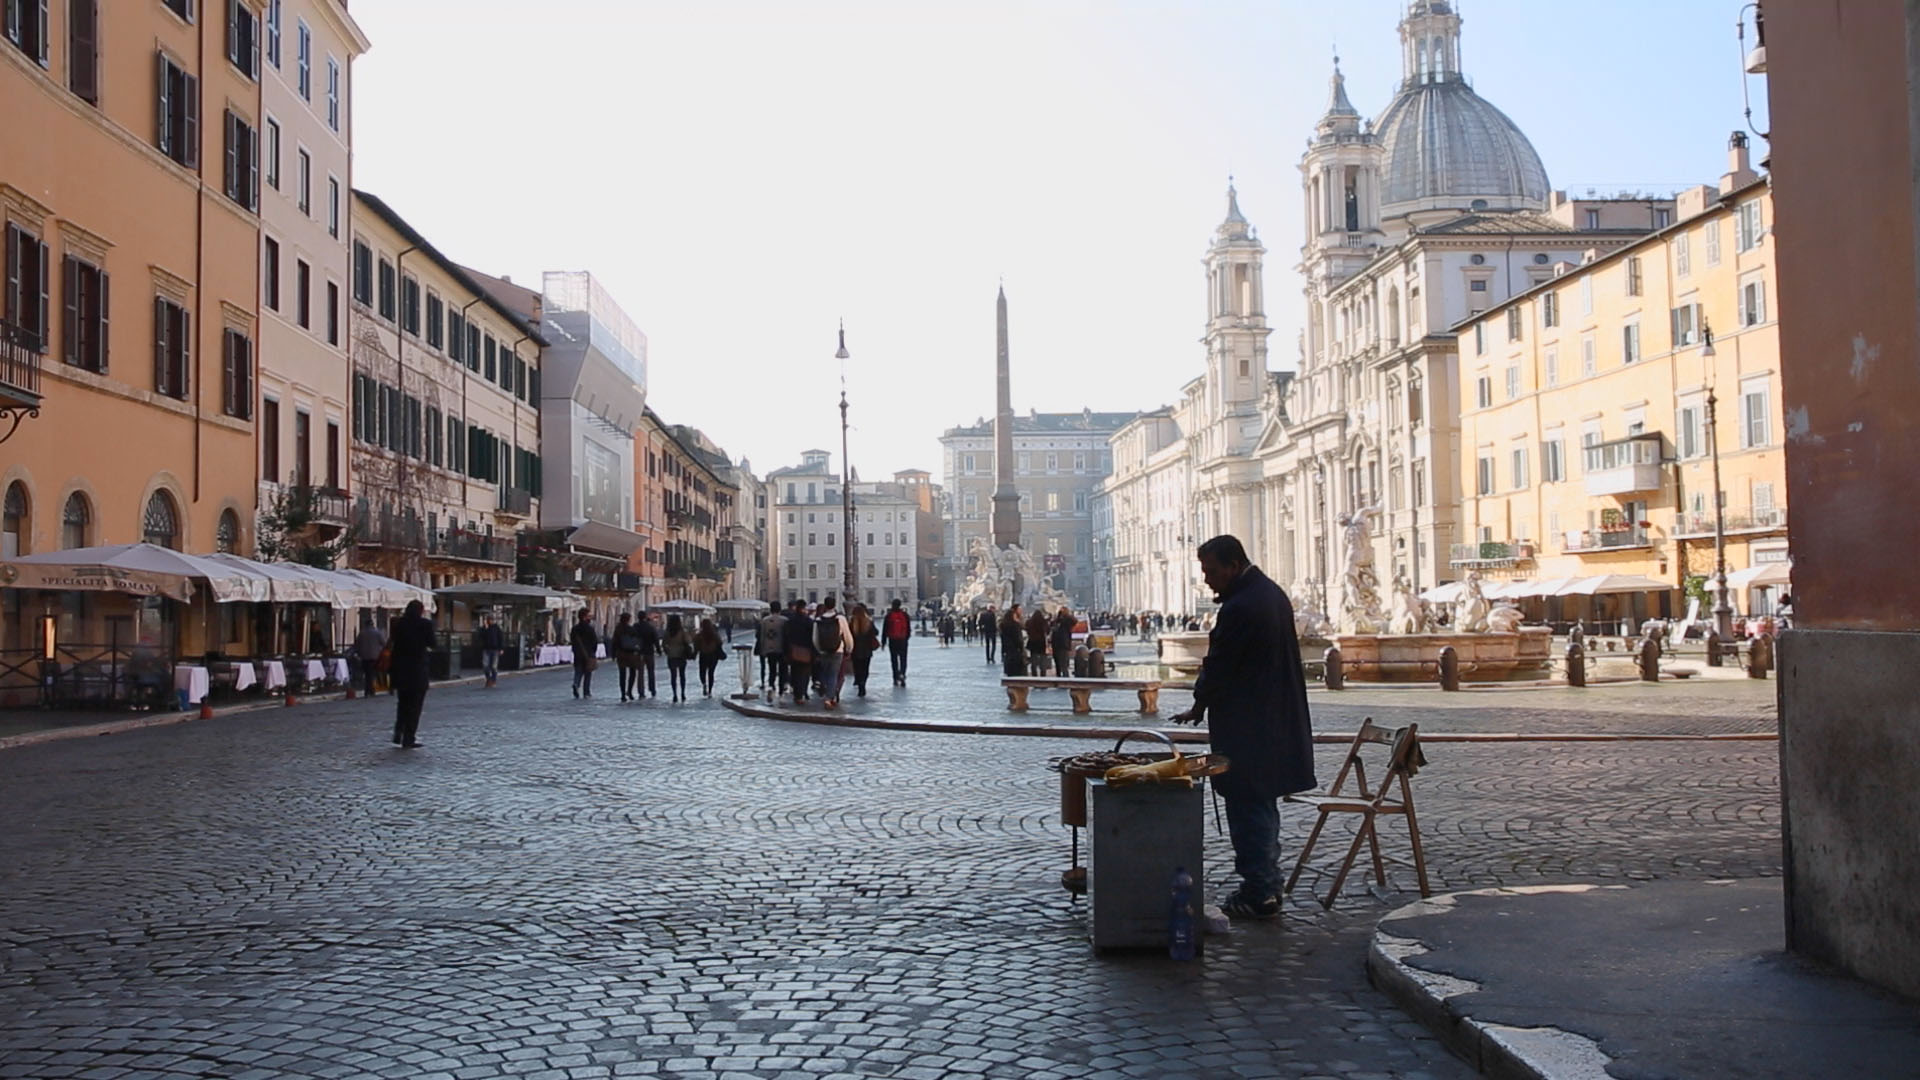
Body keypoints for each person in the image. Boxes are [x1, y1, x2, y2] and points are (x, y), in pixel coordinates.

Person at [1170, 535, 1317, 920]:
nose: (1207, 580)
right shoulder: (1270, 594)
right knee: (1261, 805)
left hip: (1251, 727)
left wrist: (1200, 700)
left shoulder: (1241, 607)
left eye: (1212, 571)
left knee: (1248, 805)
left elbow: (1220, 663)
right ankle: (1266, 883)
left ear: (1234, 565)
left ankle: (1259, 890)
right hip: (1270, 720)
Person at [388, 600, 436, 749]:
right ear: (421, 611)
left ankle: (398, 731)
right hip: (417, 669)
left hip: (400, 668)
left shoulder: (398, 624)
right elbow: (432, 643)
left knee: (402, 703)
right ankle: (409, 737)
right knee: (415, 706)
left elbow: (394, 643)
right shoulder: (425, 624)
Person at [813, 595, 852, 708]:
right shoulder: (840, 619)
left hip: (823, 651)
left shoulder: (818, 620)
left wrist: (819, 650)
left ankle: (826, 692)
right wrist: (849, 649)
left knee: (825, 673)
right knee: (833, 674)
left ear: (825, 605)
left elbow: (815, 638)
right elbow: (847, 635)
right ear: (834, 605)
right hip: (837, 650)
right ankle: (829, 698)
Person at [784, 600, 815, 703]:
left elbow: (786, 636)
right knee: (805, 673)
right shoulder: (809, 621)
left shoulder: (790, 621)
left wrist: (786, 650)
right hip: (806, 650)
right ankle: (803, 692)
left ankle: (797, 695)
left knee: (795, 672)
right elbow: (813, 638)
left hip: (793, 650)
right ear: (804, 608)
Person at [847, 603, 880, 698]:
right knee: (865, 668)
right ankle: (863, 684)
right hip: (867, 650)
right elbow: (876, 632)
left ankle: (859, 682)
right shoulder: (868, 622)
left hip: (855, 649)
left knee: (857, 668)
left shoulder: (852, 622)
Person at [757, 602, 787, 698]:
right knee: (782, 670)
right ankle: (781, 690)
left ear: (771, 609)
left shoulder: (764, 621)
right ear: (780, 609)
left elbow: (762, 637)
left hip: (769, 648)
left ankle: (771, 686)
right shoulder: (784, 620)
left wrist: (763, 649)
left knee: (772, 669)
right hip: (782, 648)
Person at [612, 613, 643, 701]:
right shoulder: (631, 629)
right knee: (632, 672)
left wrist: (613, 653)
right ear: (628, 619)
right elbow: (636, 641)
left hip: (620, 653)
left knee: (622, 674)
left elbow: (614, 642)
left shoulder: (618, 629)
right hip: (631, 653)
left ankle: (622, 694)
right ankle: (629, 691)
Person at [353, 618, 387, 697]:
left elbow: (357, 645)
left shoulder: (361, 633)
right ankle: (372, 690)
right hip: (375, 657)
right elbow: (384, 644)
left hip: (364, 657)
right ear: (372, 624)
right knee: (372, 674)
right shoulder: (377, 633)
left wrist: (359, 653)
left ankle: (367, 690)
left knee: (367, 674)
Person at [882, 599, 913, 686]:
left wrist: (883, 642)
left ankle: (895, 677)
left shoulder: (889, 616)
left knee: (894, 660)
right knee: (903, 659)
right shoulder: (905, 615)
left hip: (892, 641)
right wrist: (906, 638)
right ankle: (902, 674)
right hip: (902, 641)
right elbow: (908, 629)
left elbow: (885, 630)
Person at [662, 614, 693, 702]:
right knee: (682, 675)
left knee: (673, 676)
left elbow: (664, 644)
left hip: (671, 655)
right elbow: (688, 641)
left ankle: (674, 694)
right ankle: (683, 693)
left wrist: (667, 651)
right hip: (681, 654)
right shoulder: (682, 631)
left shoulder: (668, 632)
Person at [569, 610, 599, 699]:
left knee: (578, 672)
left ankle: (576, 684)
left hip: (578, 654)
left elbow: (573, 641)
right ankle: (586, 692)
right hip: (588, 654)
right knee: (587, 673)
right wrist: (593, 652)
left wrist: (575, 651)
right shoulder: (590, 628)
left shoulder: (575, 629)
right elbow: (594, 641)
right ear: (584, 617)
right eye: (589, 615)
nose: (590, 617)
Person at [694, 617, 726, 698]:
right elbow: (720, 643)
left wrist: (694, 654)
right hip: (713, 656)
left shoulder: (699, 635)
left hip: (703, 655)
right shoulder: (715, 634)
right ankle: (710, 691)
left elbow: (696, 646)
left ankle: (704, 684)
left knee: (702, 672)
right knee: (711, 673)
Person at [476, 613, 505, 689]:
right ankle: (488, 679)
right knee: (485, 665)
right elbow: (480, 636)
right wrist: (485, 628)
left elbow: (500, 638)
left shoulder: (497, 628)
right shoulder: (484, 628)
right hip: (486, 649)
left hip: (495, 649)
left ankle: (493, 680)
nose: (491, 621)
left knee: (493, 667)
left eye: (492, 620)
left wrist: (501, 648)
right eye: (490, 619)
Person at [1000, 604, 1027, 677]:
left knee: (1011, 674)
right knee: (1018, 674)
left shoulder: (1004, 626)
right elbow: (1018, 640)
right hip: (1016, 653)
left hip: (1008, 653)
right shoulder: (1015, 626)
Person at [1050, 606, 1076, 677]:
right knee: (1058, 663)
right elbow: (1050, 626)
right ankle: (1059, 678)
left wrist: (1066, 614)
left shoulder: (1067, 621)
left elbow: (1074, 621)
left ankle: (1065, 678)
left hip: (1063, 644)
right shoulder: (1056, 621)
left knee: (1064, 664)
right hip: (1056, 644)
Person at [1025, 605, 1050, 676]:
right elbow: (1047, 631)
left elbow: (1027, 629)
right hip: (1041, 642)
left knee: (1033, 660)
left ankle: (1034, 674)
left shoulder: (1029, 622)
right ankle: (1043, 675)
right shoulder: (1043, 622)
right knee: (1043, 660)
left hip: (1032, 642)